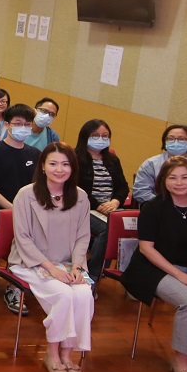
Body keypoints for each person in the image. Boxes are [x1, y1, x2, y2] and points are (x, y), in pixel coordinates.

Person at [122, 156, 187, 372]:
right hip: (154, 269)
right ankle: (181, 360)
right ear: (163, 180)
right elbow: (146, 248)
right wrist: (179, 275)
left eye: (185, 177)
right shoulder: (153, 207)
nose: (179, 183)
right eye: (172, 177)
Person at [8, 143, 93, 372]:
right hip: (31, 262)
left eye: (65, 164)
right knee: (63, 296)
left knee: (84, 295)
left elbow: (83, 236)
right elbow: (22, 238)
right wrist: (51, 268)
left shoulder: (80, 196)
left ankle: (68, 354)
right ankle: (52, 353)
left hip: (67, 263)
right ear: (43, 166)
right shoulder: (26, 194)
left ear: (73, 168)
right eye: (53, 163)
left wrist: (77, 267)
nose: (59, 169)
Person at [0, 104, 42, 314]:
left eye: (27, 124)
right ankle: (14, 287)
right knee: (27, 231)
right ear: (7, 125)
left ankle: (41, 280)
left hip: (28, 210)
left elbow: (38, 188)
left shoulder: (35, 154)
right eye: (18, 124)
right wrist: (16, 208)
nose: (23, 128)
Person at [76, 119, 130, 283]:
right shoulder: (75, 158)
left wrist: (115, 202)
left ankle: (119, 273)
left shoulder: (112, 160)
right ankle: (92, 277)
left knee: (132, 226)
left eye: (105, 136)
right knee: (108, 229)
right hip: (84, 208)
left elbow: (123, 187)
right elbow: (76, 188)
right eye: (95, 135)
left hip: (111, 207)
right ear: (85, 136)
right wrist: (98, 205)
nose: (100, 139)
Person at [133, 124, 187, 205]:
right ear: (165, 141)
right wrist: (168, 206)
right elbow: (141, 192)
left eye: (181, 139)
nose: (176, 142)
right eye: (171, 139)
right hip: (161, 209)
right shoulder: (150, 164)